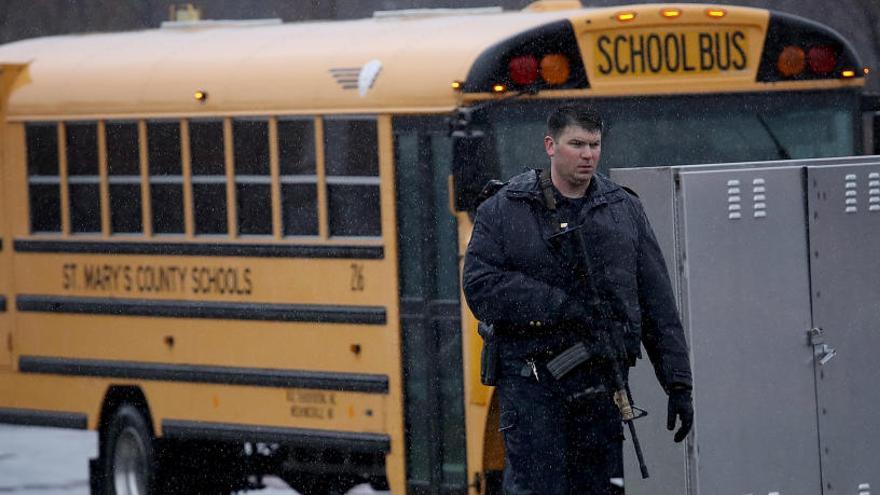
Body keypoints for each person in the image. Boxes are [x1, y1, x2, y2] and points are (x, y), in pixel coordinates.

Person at [462, 104, 693, 494]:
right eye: (577, 144)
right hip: (532, 382)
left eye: (594, 145)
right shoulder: (505, 209)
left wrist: (678, 384)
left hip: (599, 383)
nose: (588, 155)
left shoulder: (623, 209)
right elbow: (481, 287)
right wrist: (559, 306)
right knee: (538, 487)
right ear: (550, 146)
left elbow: (657, 306)